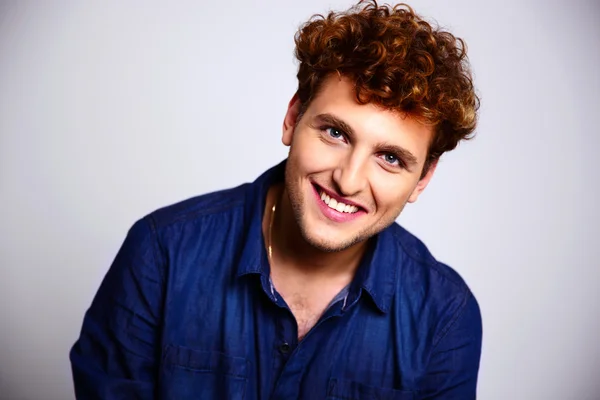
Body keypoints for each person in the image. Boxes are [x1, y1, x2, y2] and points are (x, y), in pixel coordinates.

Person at [70, 1, 482, 398]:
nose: (348, 180)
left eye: (390, 158)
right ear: (292, 118)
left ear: (423, 178)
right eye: (335, 133)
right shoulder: (161, 253)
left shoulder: (445, 316)